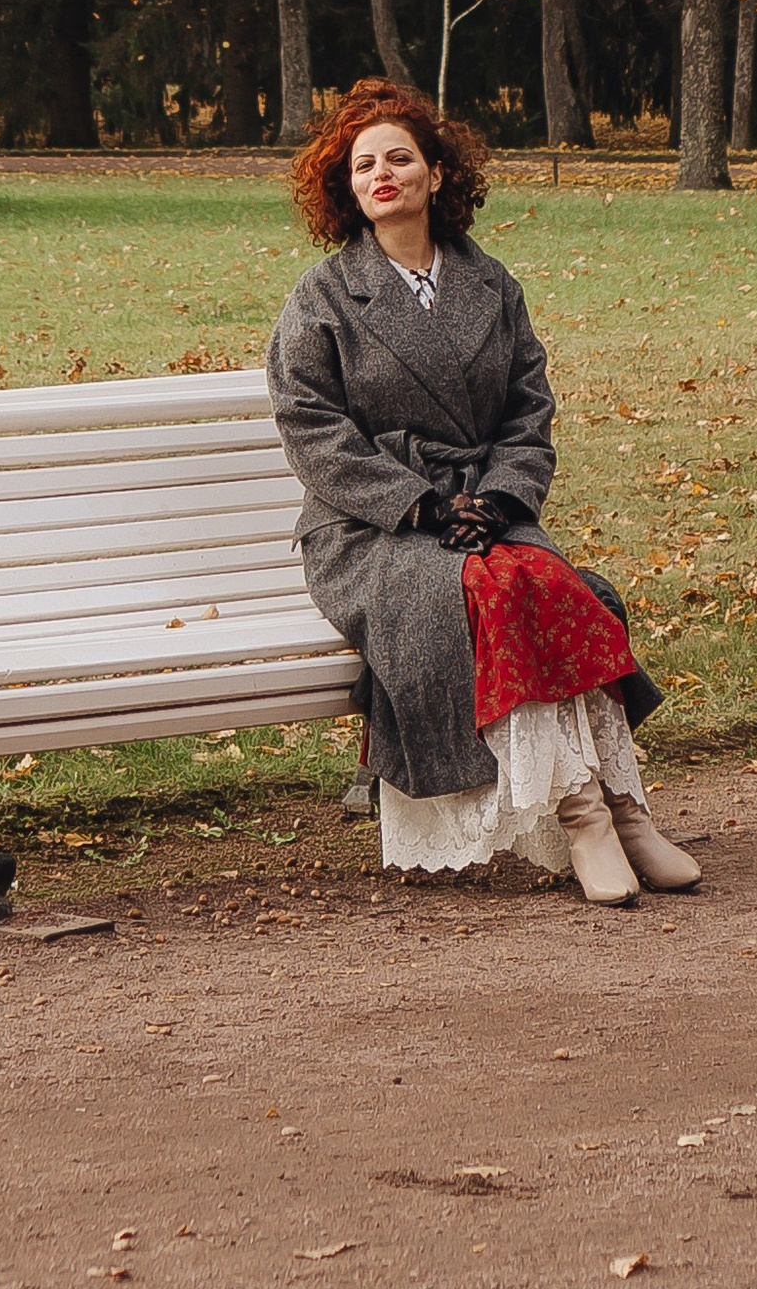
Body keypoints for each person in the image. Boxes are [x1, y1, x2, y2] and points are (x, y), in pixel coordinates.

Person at [265, 76, 702, 905]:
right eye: (364, 166)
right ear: (346, 188)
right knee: (495, 590)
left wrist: (500, 499)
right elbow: (311, 429)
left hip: (481, 511)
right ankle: (586, 819)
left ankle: (627, 809)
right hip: (370, 531)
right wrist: (421, 506)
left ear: (437, 174)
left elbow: (528, 412)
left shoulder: (491, 284)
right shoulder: (322, 297)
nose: (382, 175)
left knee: (547, 580)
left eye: (401, 158)